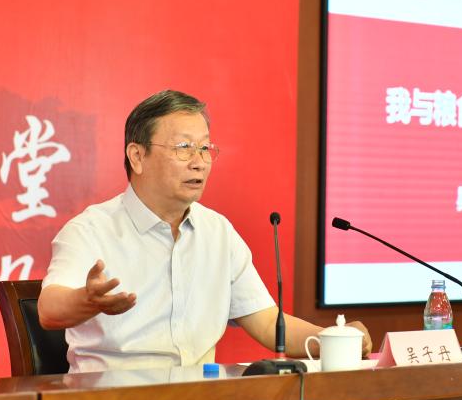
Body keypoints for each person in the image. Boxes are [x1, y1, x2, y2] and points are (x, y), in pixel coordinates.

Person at [38, 89, 371, 373]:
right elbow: (49, 310)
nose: (199, 161)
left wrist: (335, 339)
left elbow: (269, 323)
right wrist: (87, 300)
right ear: (137, 156)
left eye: (205, 148)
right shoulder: (90, 230)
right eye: (184, 148)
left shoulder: (218, 232)